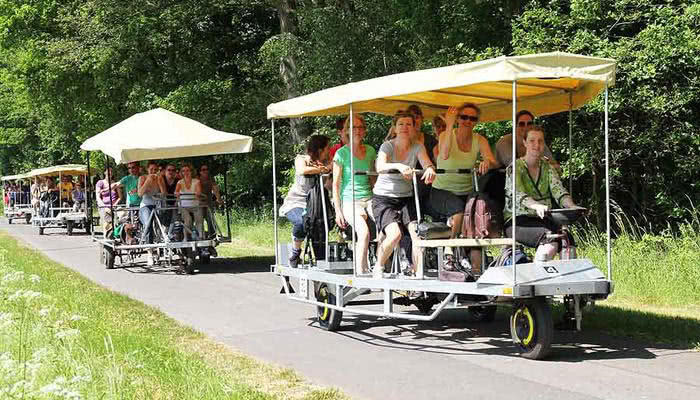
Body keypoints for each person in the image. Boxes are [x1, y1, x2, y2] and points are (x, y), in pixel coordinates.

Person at [430, 103, 498, 275]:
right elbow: (443, 155)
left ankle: (477, 269)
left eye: (472, 118)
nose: (468, 121)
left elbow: (493, 160)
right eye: (464, 117)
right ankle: (449, 249)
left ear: (476, 122)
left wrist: (487, 162)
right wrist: (450, 124)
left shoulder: (479, 139)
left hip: (466, 192)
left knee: (476, 215)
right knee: (459, 211)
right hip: (441, 191)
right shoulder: (446, 134)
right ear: (458, 118)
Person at [372, 111, 436, 279]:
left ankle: (417, 272)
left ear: (414, 127)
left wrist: (429, 169)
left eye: (409, 124)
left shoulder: (417, 146)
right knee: (395, 235)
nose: (405, 128)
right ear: (395, 128)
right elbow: (379, 166)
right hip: (384, 198)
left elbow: (427, 163)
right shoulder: (388, 146)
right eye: (401, 124)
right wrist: (400, 166)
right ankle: (378, 266)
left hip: (406, 197)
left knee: (417, 233)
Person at [504, 125, 577, 262]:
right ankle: (536, 277)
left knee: (568, 239)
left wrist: (572, 206)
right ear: (525, 143)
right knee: (550, 239)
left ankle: (566, 279)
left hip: (544, 220)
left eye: (540, 141)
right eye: (532, 141)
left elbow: (559, 191)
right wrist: (535, 205)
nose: (536, 145)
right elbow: (517, 193)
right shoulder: (515, 167)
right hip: (518, 221)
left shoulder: (547, 168)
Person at [333, 114, 377, 274]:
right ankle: (361, 271)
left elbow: (373, 179)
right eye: (354, 127)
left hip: (370, 198)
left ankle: (380, 265)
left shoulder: (371, 151)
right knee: (364, 233)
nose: (357, 130)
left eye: (360, 127)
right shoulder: (341, 154)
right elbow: (336, 184)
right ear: (347, 130)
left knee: (387, 228)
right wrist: (338, 211)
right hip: (350, 200)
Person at [278, 135, 331, 267]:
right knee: (302, 222)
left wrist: (330, 173)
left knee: (321, 226)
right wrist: (321, 169)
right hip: (296, 203)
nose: (329, 151)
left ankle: (320, 258)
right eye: (327, 148)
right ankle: (296, 251)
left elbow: (328, 186)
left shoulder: (325, 165)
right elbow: (302, 170)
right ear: (319, 150)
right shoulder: (301, 159)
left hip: (314, 204)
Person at [494, 110, 558, 168]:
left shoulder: (537, 142)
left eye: (529, 124)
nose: (526, 127)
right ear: (515, 126)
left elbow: (555, 166)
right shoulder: (504, 142)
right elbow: (514, 165)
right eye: (521, 124)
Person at [138, 161, 162, 265]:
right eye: (151, 169)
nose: (153, 171)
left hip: (157, 205)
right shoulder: (142, 178)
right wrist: (148, 180)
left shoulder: (159, 178)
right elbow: (140, 193)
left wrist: (159, 182)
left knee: (162, 225)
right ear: (147, 170)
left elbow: (164, 193)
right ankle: (150, 253)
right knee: (148, 225)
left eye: (155, 170)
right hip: (146, 205)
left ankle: (161, 248)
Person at [175, 163, 203, 241]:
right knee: (188, 220)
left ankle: (200, 236)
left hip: (195, 205)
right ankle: (186, 237)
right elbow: (176, 191)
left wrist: (198, 194)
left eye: (187, 171)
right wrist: (177, 193)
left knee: (199, 220)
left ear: (191, 172)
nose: (186, 173)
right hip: (184, 206)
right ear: (181, 173)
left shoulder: (196, 181)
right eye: (183, 171)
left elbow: (198, 192)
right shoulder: (180, 182)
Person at [198, 164, 223, 238]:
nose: (205, 171)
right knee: (199, 219)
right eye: (203, 170)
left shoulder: (211, 179)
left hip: (208, 202)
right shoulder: (198, 179)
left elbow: (215, 189)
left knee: (210, 217)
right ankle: (200, 235)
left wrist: (219, 199)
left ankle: (212, 235)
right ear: (200, 172)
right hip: (199, 202)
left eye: (206, 169)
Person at [95, 167, 121, 236]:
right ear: (104, 172)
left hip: (114, 205)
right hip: (104, 206)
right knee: (107, 220)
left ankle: (119, 234)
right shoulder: (100, 183)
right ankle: (107, 236)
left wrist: (115, 204)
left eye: (111, 171)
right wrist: (105, 207)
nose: (110, 173)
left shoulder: (115, 183)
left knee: (122, 216)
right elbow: (98, 197)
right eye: (108, 171)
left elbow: (120, 197)